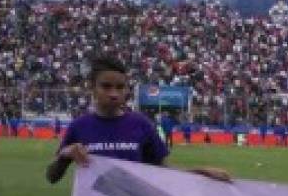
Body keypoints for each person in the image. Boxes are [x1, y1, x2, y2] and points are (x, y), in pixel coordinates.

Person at [46, 55, 230, 184]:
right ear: (92, 87)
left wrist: (201, 174)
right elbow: (52, 177)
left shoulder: (140, 124)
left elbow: (164, 172)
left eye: (120, 87)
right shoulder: (79, 127)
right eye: (106, 86)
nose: (114, 94)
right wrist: (65, 154)